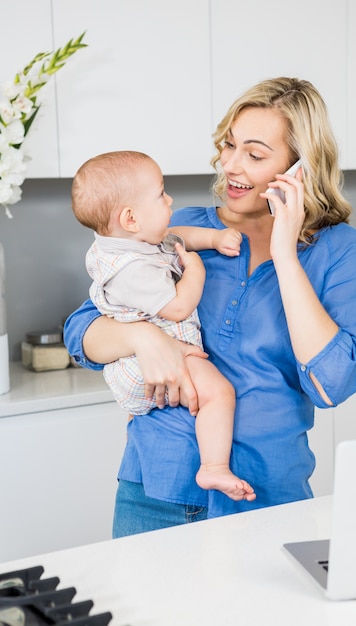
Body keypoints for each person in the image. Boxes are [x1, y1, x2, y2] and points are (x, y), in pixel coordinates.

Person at [64, 77, 356, 537]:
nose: (230, 165)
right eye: (228, 145)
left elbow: (333, 385)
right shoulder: (178, 230)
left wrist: (286, 254)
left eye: (254, 153)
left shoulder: (338, 250)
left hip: (266, 500)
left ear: (300, 167)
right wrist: (142, 337)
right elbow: (82, 329)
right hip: (156, 493)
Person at [71, 150, 256, 502]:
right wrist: (197, 270)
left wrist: (214, 239)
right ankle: (213, 468)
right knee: (218, 393)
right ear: (130, 218)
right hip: (153, 363)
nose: (169, 199)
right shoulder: (130, 269)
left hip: (151, 360)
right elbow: (177, 306)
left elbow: (175, 237)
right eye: (160, 194)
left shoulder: (136, 242)